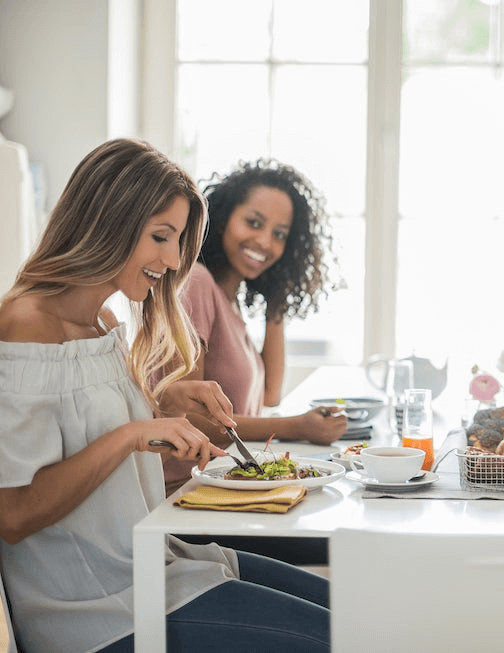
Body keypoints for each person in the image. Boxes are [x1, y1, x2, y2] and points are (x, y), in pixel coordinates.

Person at [0, 139, 330, 652]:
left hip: (158, 564)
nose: (173, 259)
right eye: (160, 237)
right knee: (345, 635)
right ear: (108, 220)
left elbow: (91, 424)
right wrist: (135, 434)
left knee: (352, 607)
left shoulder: (102, 321)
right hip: (95, 610)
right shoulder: (24, 326)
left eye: (179, 241)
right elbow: (14, 516)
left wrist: (170, 404)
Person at [161, 159, 346, 496]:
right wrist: (298, 427)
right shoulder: (197, 285)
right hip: (184, 493)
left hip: (225, 489)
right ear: (221, 220)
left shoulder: (229, 302)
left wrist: (278, 297)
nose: (265, 242)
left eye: (279, 235)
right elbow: (191, 421)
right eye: (253, 222)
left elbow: (269, 394)